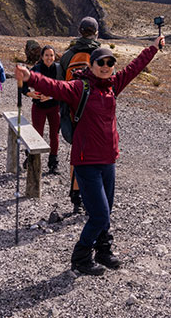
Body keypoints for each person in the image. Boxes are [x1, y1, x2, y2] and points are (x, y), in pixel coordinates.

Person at [16, 36, 165, 275]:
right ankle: (81, 256)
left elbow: (135, 67)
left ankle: (103, 250)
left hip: (108, 160)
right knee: (99, 214)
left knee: (107, 209)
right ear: (92, 65)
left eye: (110, 63)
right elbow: (56, 87)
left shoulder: (114, 84)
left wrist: (154, 48)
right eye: (101, 63)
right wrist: (31, 77)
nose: (106, 67)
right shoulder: (80, 87)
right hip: (86, 162)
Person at [58, 17, 102, 212]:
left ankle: (76, 195)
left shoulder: (67, 56)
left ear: (79, 31)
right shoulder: (101, 55)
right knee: (97, 155)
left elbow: (60, 87)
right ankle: (93, 195)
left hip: (73, 113)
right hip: (96, 115)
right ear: (96, 32)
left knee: (78, 153)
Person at [25, 45, 62, 175]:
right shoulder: (36, 69)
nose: (49, 58)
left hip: (54, 107)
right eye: (46, 55)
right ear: (42, 57)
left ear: (54, 56)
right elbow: (23, 84)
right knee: (37, 135)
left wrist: (50, 96)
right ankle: (31, 159)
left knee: (54, 135)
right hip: (39, 107)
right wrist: (29, 94)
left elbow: (63, 88)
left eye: (51, 55)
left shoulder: (58, 69)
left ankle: (53, 164)